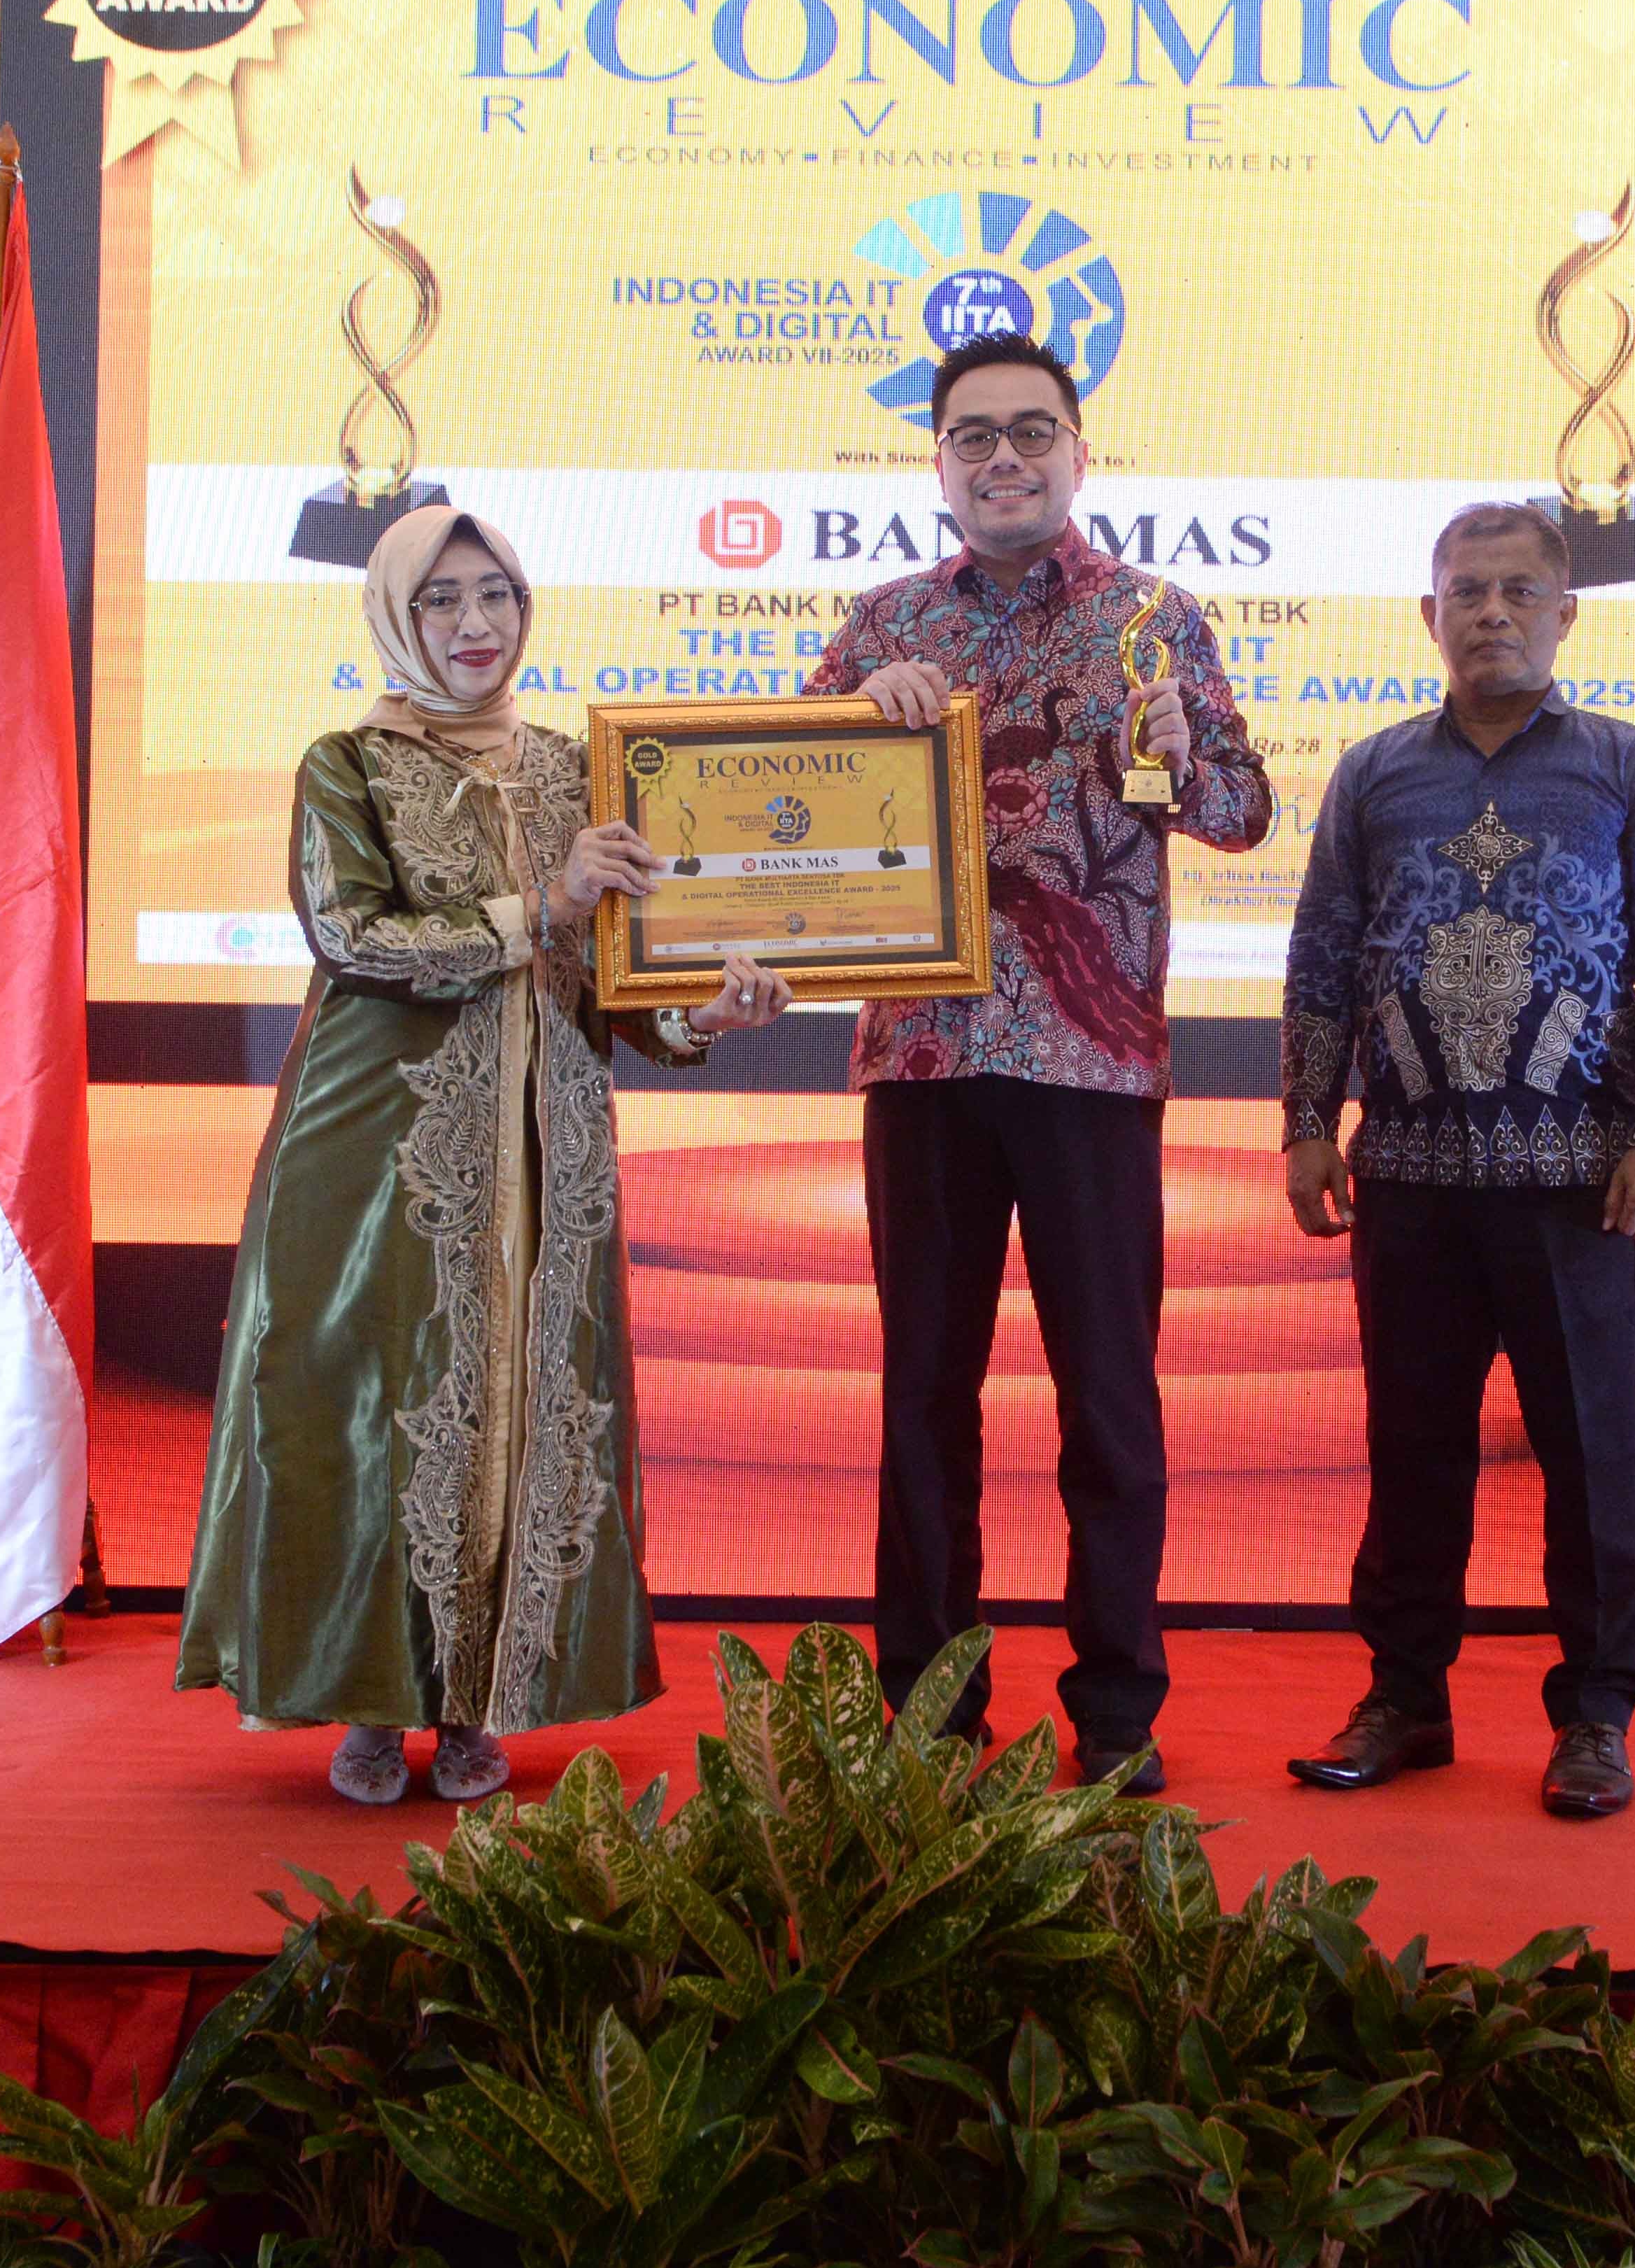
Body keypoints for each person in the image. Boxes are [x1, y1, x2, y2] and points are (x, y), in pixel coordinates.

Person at [181, 504, 791, 1805]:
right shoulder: (348, 765)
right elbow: (355, 939)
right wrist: (540, 904)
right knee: (375, 1403)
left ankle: (478, 1705)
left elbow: (617, 987)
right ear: (398, 615)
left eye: (497, 596)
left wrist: (703, 1014)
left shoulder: (582, 770)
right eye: (444, 599)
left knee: (530, 1404)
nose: (475, 624)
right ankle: (367, 1698)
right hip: (382, 1154)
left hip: (551, 1149)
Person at [810, 332, 1272, 1792]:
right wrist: (850, 728)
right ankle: (927, 1717)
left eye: (1029, 432)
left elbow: (1241, 813)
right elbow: (788, 822)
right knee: (923, 1398)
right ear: (937, 463)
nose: (1001, 458)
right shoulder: (882, 625)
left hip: (1092, 1060)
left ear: (1080, 450)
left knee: (1109, 1399)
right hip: (925, 1056)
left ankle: (1117, 1710)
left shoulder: (1154, 619)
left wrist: (1169, 757)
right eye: (973, 436)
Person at [1277, 500, 1635, 1819]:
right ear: (1430, 616)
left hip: (1581, 1185)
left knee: (1592, 1459)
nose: (1491, 614)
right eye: (1467, 593)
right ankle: (1404, 1700)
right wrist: (1306, 1122)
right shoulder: (1373, 774)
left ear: (1566, 613)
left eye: (1519, 592)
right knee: (1412, 1453)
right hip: (1408, 1179)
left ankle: (1595, 1716)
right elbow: (1321, 959)